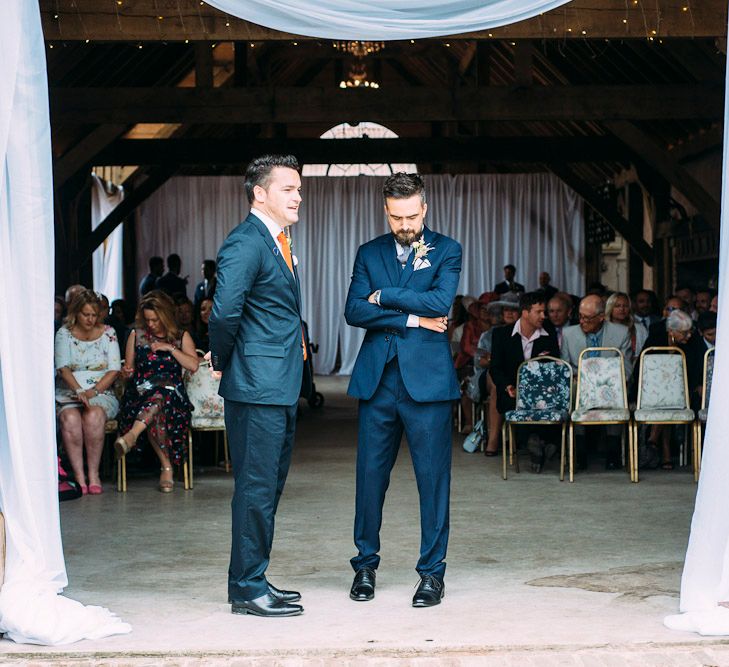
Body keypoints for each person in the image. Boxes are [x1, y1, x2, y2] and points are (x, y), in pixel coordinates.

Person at [345, 172, 461, 608]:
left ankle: (432, 573)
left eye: (412, 216)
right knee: (370, 480)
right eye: (397, 217)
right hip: (378, 382)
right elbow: (353, 310)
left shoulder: (448, 249)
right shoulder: (368, 251)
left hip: (427, 385)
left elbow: (440, 303)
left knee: (433, 482)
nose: (405, 225)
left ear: (424, 209)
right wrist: (409, 318)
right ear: (386, 211)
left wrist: (383, 296)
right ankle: (364, 566)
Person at [208, 154, 306, 618]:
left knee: (267, 487)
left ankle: (254, 576)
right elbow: (224, 312)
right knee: (255, 488)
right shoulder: (245, 243)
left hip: (276, 385)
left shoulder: (277, 241)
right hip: (255, 386)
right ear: (260, 194)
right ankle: (246, 588)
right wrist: (224, 361)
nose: (298, 196)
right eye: (288, 188)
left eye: (300, 188)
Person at [115, 291, 198, 492]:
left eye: (155, 320)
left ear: (166, 316)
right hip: (141, 393)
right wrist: (126, 373)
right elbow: (129, 370)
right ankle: (166, 467)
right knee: (156, 402)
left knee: (161, 396)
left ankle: (132, 436)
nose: (150, 324)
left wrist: (170, 348)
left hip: (173, 396)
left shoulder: (180, 336)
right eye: (147, 319)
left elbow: (193, 365)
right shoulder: (136, 335)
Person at [55, 289, 121, 495]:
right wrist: (78, 390)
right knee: (71, 419)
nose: (90, 319)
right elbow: (62, 368)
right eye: (86, 314)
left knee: (93, 416)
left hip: (101, 393)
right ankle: (79, 477)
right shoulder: (64, 334)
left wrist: (92, 392)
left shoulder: (108, 333)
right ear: (76, 312)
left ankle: (94, 474)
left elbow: (114, 369)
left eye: (94, 315)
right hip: (69, 392)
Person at [489, 291, 560, 472]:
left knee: (549, 404)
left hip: (542, 392)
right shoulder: (501, 335)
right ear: (525, 312)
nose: (544, 316)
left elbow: (554, 368)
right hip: (512, 390)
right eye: (539, 312)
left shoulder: (548, 334)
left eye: (544, 312)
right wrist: (507, 386)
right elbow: (495, 368)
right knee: (513, 403)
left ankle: (539, 442)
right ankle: (536, 443)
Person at [561, 294, 632, 469]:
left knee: (618, 389)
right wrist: (581, 378)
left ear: (601, 317)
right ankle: (580, 452)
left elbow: (627, 368)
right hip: (581, 384)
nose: (582, 321)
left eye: (587, 317)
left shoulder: (620, 333)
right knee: (574, 389)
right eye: (580, 316)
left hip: (610, 384)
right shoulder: (569, 334)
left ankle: (613, 451)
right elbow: (565, 367)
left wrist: (604, 380)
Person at [642, 309, 704, 469]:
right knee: (666, 401)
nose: (688, 336)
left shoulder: (693, 339)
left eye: (689, 332)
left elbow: (699, 365)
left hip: (687, 388)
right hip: (654, 391)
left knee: (671, 400)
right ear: (671, 331)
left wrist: (698, 384)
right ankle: (665, 452)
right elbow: (643, 367)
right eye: (684, 333)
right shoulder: (656, 336)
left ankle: (653, 441)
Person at [605, 292, 648, 364]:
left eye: (625, 306)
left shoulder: (640, 329)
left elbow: (646, 353)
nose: (622, 309)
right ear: (610, 308)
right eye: (617, 306)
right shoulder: (603, 329)